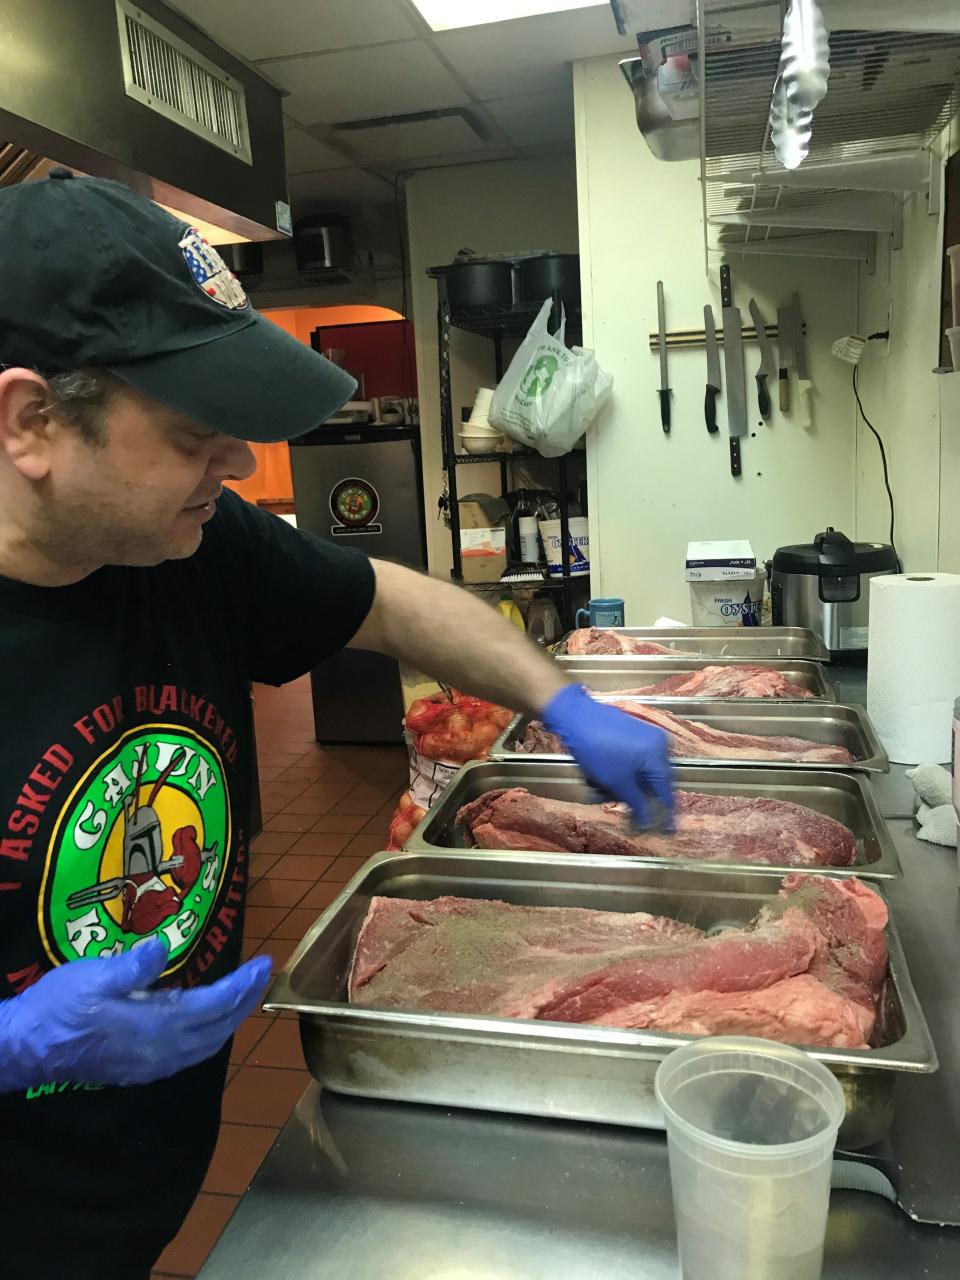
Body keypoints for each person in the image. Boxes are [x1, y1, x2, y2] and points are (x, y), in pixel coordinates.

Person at [0, 171, 674, 1278]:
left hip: (145, 1192)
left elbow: (392, 597)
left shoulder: (195, 545)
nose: (233, 463)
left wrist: (562, 697)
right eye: (191, 431)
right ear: (32, 421)